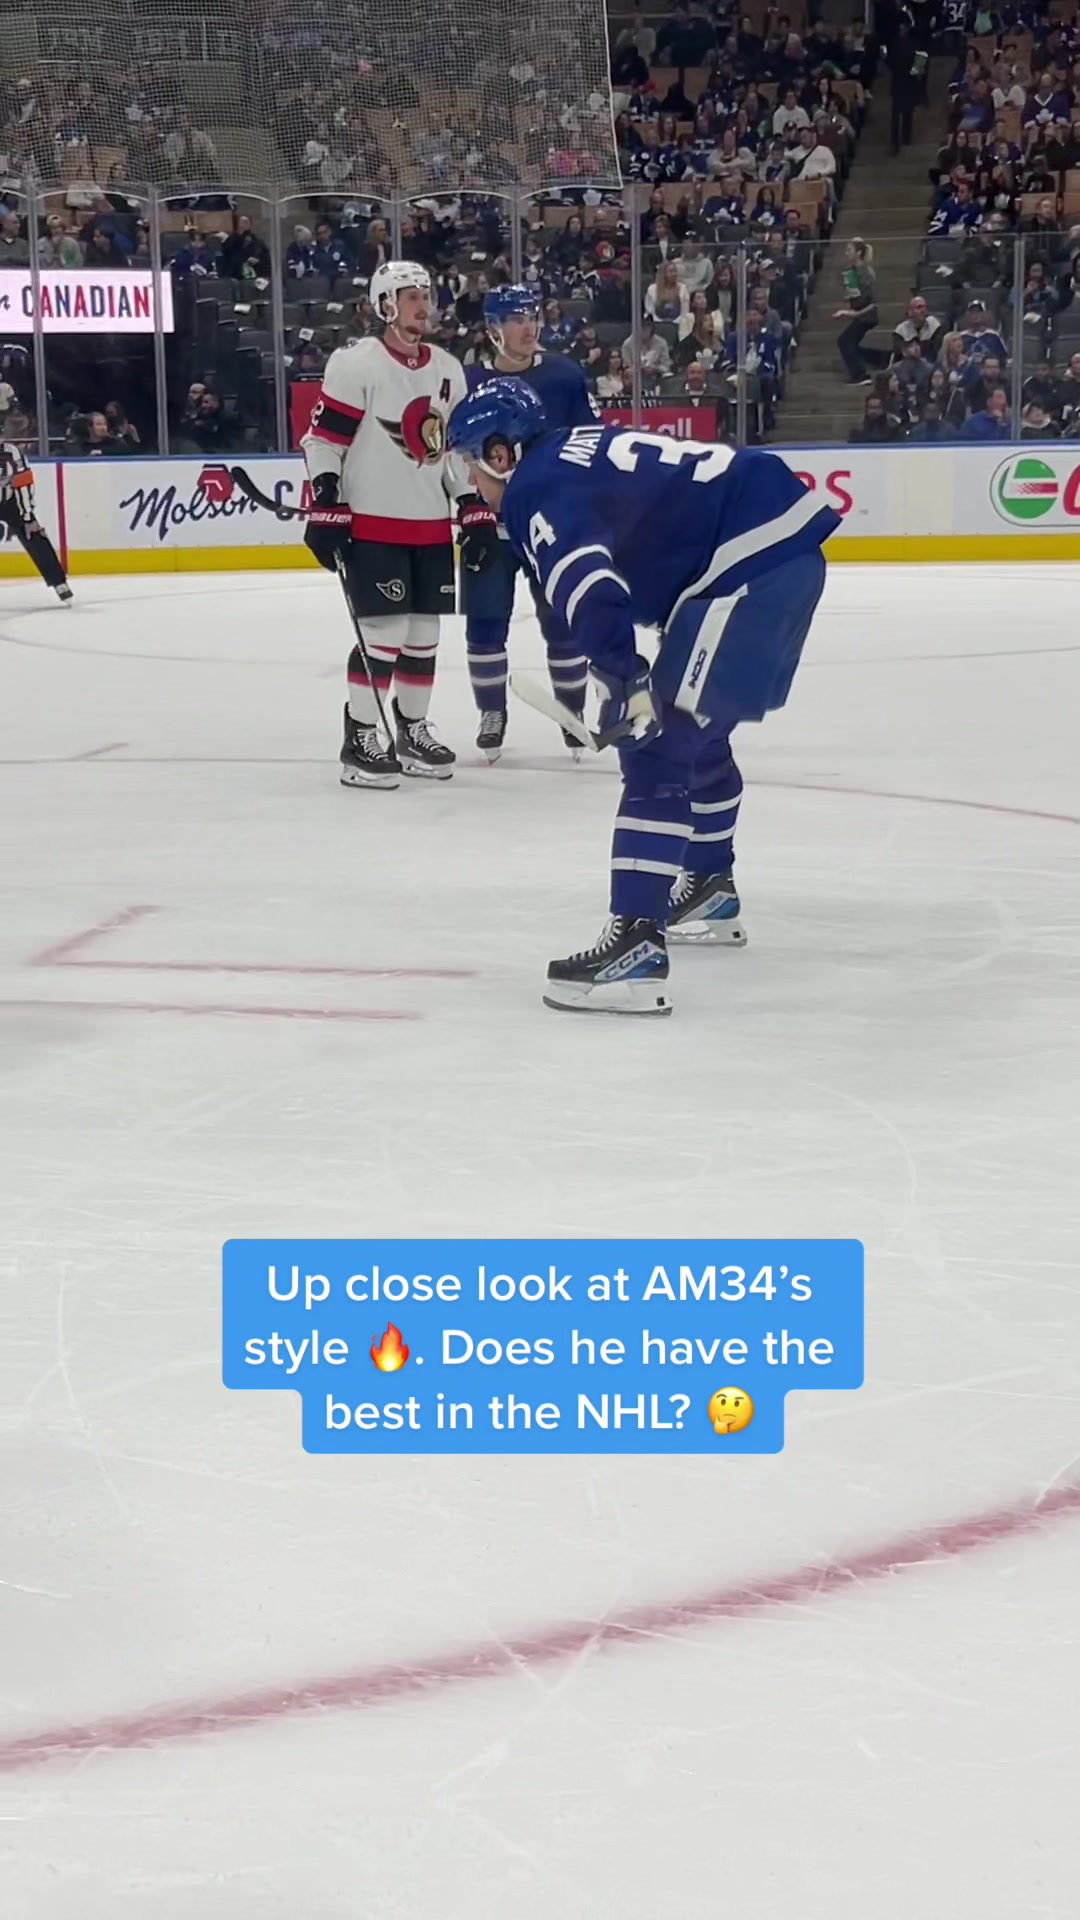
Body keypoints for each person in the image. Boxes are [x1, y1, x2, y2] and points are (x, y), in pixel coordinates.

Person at [447, 380, 840, 1016]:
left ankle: (635, 949)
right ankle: (709, 889)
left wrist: (624, 676)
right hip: (771, 551)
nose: (472, 482)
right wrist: (625, 677)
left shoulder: (532, 490)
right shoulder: (571, 448)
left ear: (500, 454)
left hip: (747, 564)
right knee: (695, 731)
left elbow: (590, 585)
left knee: (657, 749)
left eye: (471, 463)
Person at [302, 260, 487, 790]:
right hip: (374, 524)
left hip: (429, 526)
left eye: (427, 295)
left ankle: (411, 730)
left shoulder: (448, 369)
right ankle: (361, 736)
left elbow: (450, 451)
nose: (423, 305)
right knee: (383, 634)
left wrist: (470, 505)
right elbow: (324, 440)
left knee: (424, 635)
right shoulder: (356, 364)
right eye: (411, 296)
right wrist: (327, 496)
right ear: (385, 304)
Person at [459, 284, 601, 759]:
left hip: (552, 525)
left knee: (563, 624)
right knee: (485, 623)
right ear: (493, 329)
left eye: (533, 317)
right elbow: (456, 453)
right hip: (490, 526)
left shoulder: (564, 376)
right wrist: (472, 502)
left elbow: (591, 444)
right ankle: (491, 713)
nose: (529, 327)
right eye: (517, 319)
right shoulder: (468, 382)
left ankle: (572, 714)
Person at [0, 442, 72, 605]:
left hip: (10, 502)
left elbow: (23, 484)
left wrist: (28, 517)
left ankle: (59, 582)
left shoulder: (12, 453)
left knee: (33, 533)